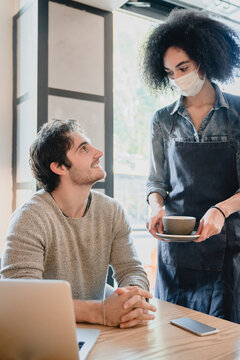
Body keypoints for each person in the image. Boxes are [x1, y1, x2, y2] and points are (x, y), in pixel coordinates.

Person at [1, 119, 156, 328]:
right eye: (84, 149)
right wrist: (100, 312)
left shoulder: (112, 210)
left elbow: (131, 270)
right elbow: (19, 299)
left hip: (101, 332)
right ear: (58, 167)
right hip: (46, 333)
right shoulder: (30, 217)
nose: (98, 152)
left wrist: (131, 299)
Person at [141, 8, 240, 323]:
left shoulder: (237, 113)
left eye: (183, 67)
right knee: (172, 337)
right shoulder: (162, 120)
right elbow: (157, 182)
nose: (177, 77)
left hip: (226, 249)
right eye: (169, 72)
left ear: (205, 59)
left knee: (222, 341)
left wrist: (221, 210)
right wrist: (154, 207)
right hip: (176, 252)